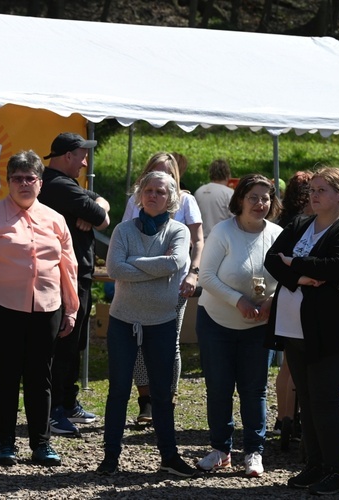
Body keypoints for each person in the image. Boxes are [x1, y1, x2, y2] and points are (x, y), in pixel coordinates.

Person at [0, 150, 79, 467]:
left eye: (30, 178)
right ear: (8, 182)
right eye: (17, 178)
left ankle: (41, 444)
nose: (24, 183)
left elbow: (68, 268)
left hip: (47, 307)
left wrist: (71, 309)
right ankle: (5, 443)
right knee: (5, 376)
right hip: (4, 307)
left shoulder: (56, 220)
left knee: (40, 378)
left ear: (40, 183)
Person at [99, 170, 196, 477]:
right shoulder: (123, 230)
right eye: (149, 190)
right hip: (123, 321)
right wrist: (154, 267)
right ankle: (110, 457)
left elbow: (177, 263)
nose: (154, 195)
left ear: (171, 199)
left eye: (161, 192)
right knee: (118, 391)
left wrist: (134, 262)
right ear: (140, 195)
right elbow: (115, 268)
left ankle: (169, 456)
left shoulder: (179, 231)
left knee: (162, 393)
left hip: (162, 322)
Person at [264, 166, 339, 495]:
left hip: (330, 332)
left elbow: (337, 267)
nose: (313, 196)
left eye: (321, 190)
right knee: (309, 400)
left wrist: (293, 264)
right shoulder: (301, 224)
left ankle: (335, 472)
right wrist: (299, 277)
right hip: (292, 328)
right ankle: (314, 465)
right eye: (312, 190)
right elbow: (272, 259)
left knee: (326, 400)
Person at [195, 173, 282, 478]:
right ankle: (220, 450)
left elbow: (287, 278)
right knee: (218, 387)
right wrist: (239, 301)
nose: (260, 203)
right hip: (216, 323)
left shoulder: (278, 234)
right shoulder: (223, 231)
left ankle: (254, 452)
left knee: (254, 389)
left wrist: (271, 302)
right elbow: (206, 278)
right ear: (240, 200)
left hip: (258, 326)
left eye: (266, 197)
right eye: (254, 197)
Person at [122, 152, 203, 423]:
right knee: (138, 341)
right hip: (138, 282)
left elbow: (197, 241)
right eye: (154, 171)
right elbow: (123, 239)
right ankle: (146, 401)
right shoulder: (136, 200)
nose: (160, 177)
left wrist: (193, 272)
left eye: (167, 172)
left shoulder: (187, 201)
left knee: (170, 342)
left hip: (174, 283)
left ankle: (167, 396)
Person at [38, 132, 110, 437]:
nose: (84, 163)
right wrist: (95, 211)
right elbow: (103, 218)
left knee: (75, 342)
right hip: (61, 278)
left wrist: (96, 206)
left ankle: (66, 403)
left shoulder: (66, 185)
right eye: (81, 156)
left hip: (76, 276)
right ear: (68, 155)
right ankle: (52, 411)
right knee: (63, 344)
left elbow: (100, 208)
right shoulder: (57, 185)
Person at [272, 170, 313, 447]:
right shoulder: (304, 225)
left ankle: (284, 419)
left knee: (288, 366)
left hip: (286, 296)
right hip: (296, 298)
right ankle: (291, 421)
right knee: (294, 366)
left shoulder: (288, 220)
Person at [194, 159, 234, 240]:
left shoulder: (198, 191)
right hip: (222, 241)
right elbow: (237, 220)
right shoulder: (229, 193)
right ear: (228, 175)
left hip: (200, 240)